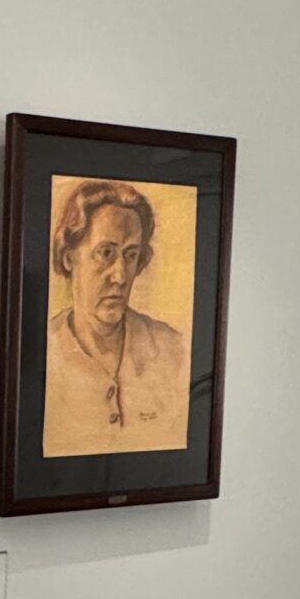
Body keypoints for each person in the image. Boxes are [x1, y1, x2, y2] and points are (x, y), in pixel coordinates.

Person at [42, 180, 189, 457]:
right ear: (69, 257)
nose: (120, 276)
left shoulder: (174, 350)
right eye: (105, 253)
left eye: (130, 255)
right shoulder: (43, 352)